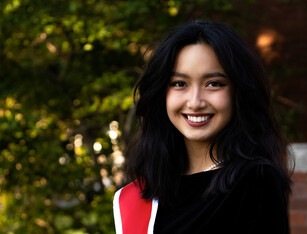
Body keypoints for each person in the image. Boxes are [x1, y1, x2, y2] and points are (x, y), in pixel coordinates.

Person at [113, 20, 292, 234]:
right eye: (179, 83)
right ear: (161, 93)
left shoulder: (255, 181)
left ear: (238, 92)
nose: (195, 102)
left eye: (213, 83)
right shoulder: (139, 195)